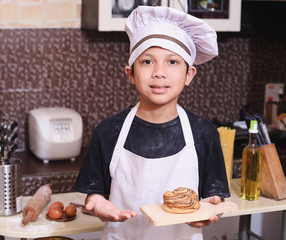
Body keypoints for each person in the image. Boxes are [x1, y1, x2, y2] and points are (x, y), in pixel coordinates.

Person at [73, 5, 230, 240]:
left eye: (173, 62)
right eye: (147, 62)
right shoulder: (108, 132)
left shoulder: (204, 133)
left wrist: (210, 210)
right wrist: (97, 205)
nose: (159, 72)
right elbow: (94, 194)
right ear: (130, 73)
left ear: (189, 75)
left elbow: (214, 199)